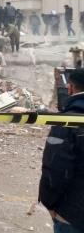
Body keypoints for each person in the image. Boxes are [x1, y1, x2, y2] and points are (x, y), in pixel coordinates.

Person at [39, 69, 84, 232]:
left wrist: (49, 204)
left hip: (73, 215)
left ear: (70, 88)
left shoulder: (66, 122)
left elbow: (55, 169)